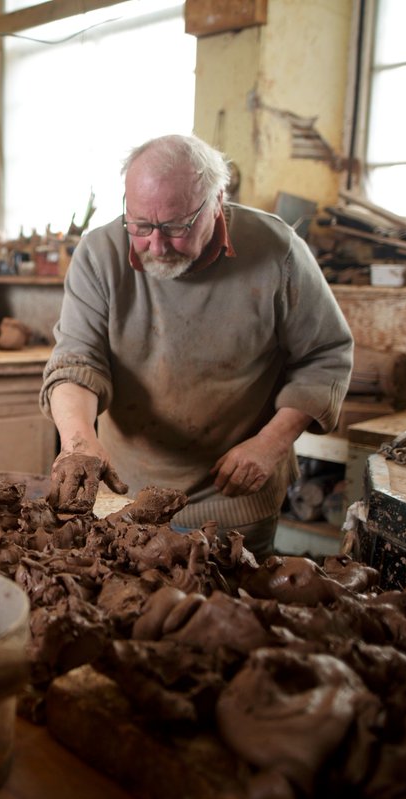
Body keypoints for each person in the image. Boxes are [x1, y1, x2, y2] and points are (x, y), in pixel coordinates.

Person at [41, 134, 354, 558]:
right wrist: (79, 442)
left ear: (217, 201)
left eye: (175, 227)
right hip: (125, 493)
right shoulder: (100, 253)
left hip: (233, 496)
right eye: (141, 225)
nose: (156, 244)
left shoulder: (277, 251)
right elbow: (77, 361)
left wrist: (271, 444)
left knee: (229, 615)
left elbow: (326, 357)